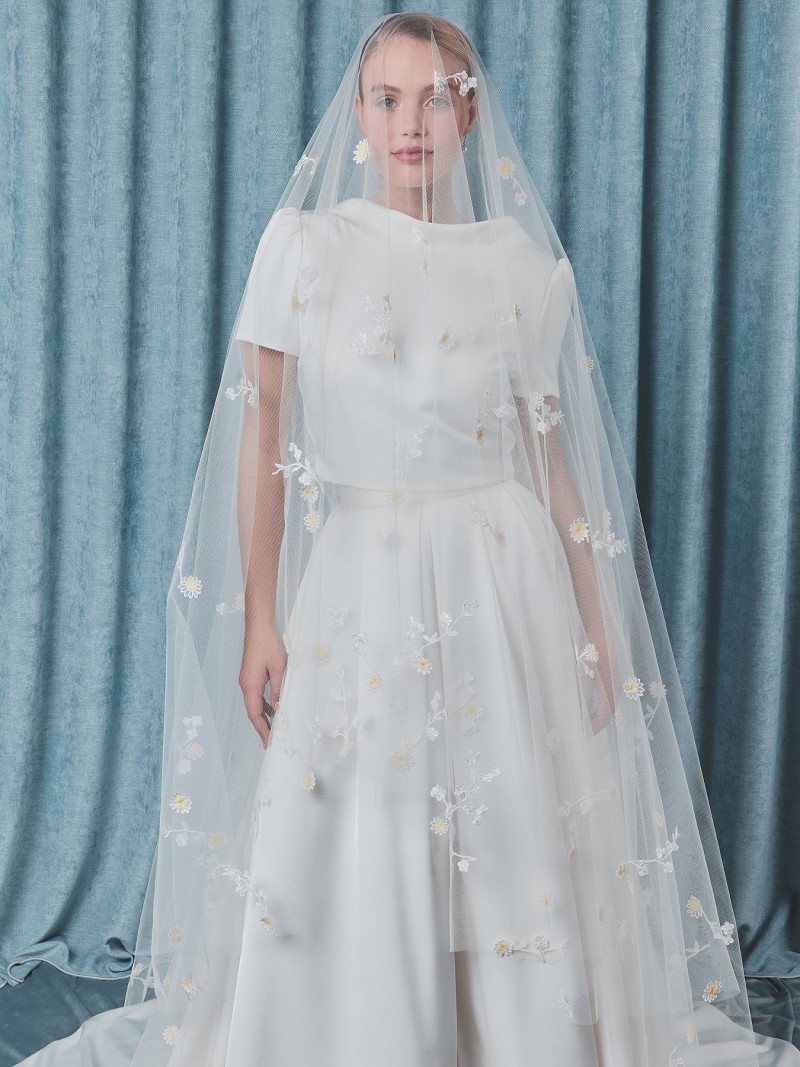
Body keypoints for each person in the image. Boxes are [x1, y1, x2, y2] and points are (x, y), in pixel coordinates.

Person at [16, 11, 800, 1067]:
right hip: (365, 576)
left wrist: (595, 619)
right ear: (359, 114)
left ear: (470, 114)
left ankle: (504, 1034)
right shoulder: (308, 248)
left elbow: (551, 461)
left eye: (435, 98)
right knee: (366, 819)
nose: (411, 123)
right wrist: (261, 615)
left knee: (504, 826)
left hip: (500, 581)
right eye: (387, 99)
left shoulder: (520, 267)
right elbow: (263, 439)